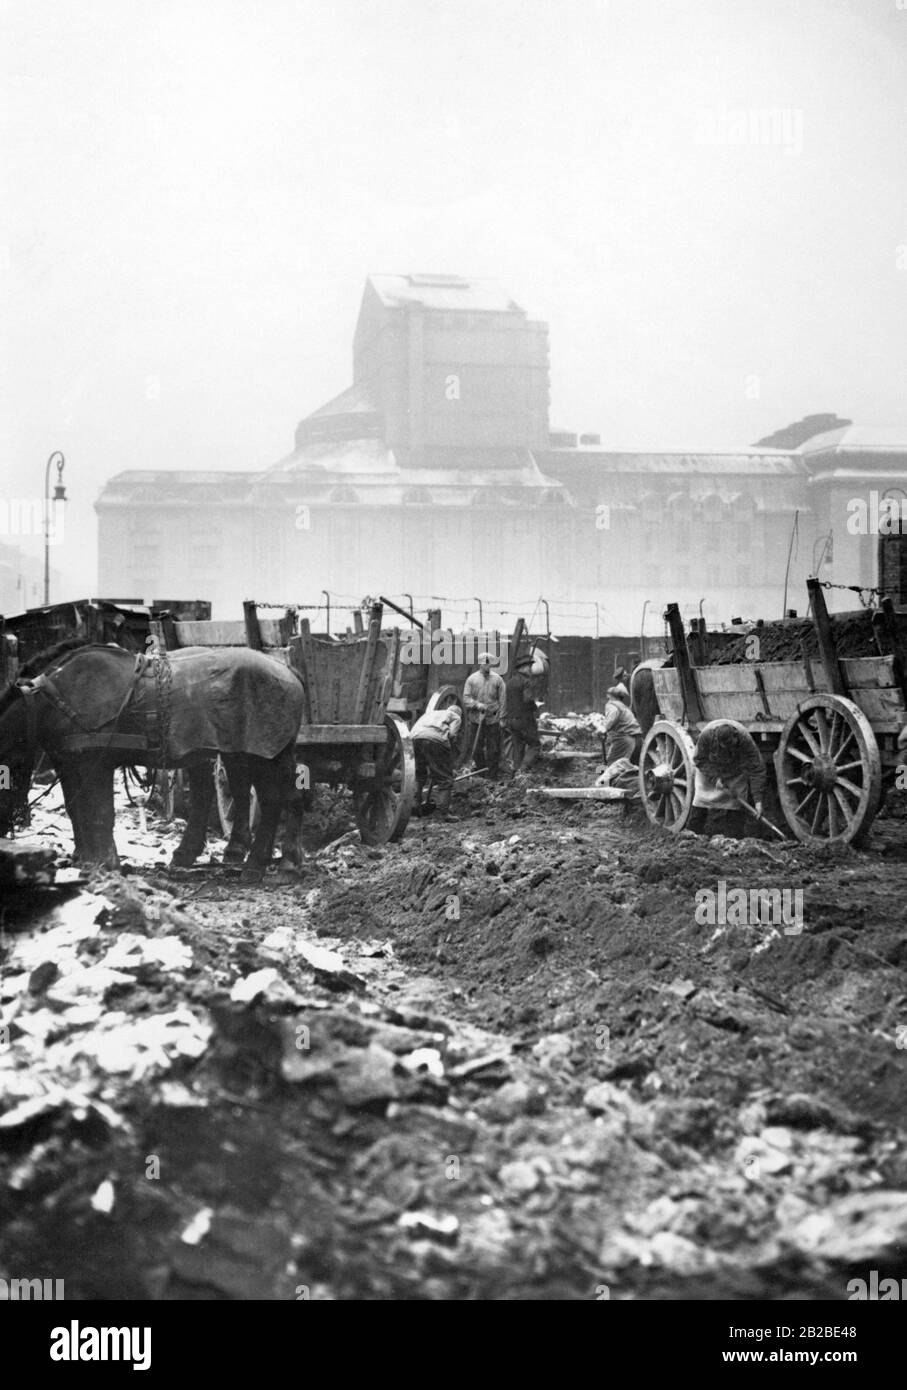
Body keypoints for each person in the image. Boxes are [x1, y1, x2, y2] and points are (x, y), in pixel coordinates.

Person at [687, 719, 766, 838]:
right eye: (723, 746)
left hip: (735, 770)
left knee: (736, 804)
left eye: (731, 744)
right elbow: (699, 760)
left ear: (735, 737)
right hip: (710, 768)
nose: (727, 748)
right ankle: (692, 835)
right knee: (701, 799)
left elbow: (757, 769)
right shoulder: (706, 736)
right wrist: (715, 778)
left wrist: (758, 802)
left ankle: (733, 838)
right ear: (716, 740)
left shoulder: (745, 740)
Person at [411, 704, 462, 821]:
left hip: (415, 738)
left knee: (419, 775)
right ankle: (442, 813)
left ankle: (414, 808)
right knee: (445, 779)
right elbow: (452, 735)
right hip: (435, 740)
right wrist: (448, 765)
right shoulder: (456, 717)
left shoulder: (430, 714)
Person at [462, 651, 505, 777]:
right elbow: (466, 699)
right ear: (480, 664)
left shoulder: (497, 679)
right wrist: (477, 704)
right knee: (476, 749)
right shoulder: (472, 679)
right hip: (476, 719)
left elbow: (503, 700)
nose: (487, 667)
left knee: (493, 749)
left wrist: (502, 717)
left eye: (489, 665)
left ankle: (492, 775)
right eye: (485, 665)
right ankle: (481, 772)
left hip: (493, 719)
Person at [503, 653, 541, 776]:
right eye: (529, 666)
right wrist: (535, 708)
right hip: (525, 719)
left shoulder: (510, 682)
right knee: (535, 745)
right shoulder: (527, 682)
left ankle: (515, 772)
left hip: (512, 720)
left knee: (518, 747)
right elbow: (528, 699)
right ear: (522, 668)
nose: (530, 669)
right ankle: (523, 769)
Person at [599, 686, 642, 767]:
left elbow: (613, 715)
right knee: (631, 768)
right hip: (638, 740)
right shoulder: (624, 706)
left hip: (624, 740)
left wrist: (604, 729)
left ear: (610, 696)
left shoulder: (611, 704)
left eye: (608, 696)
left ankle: (601, 777)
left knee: (611, 765)